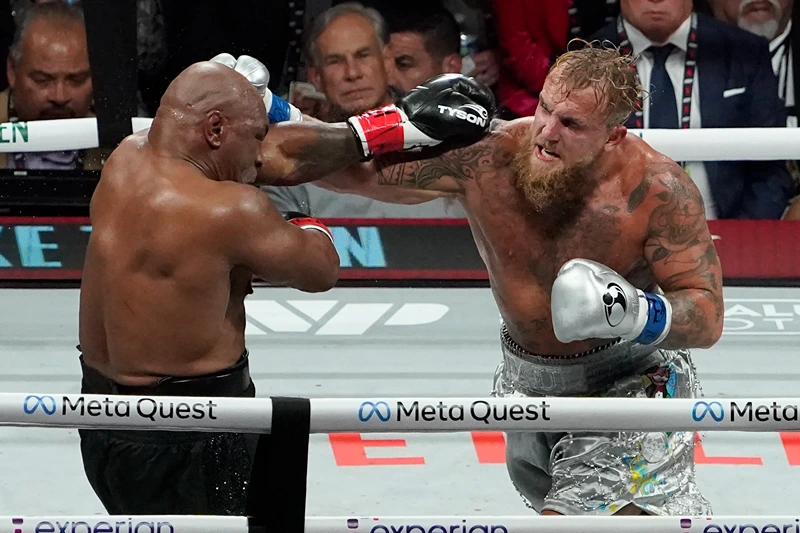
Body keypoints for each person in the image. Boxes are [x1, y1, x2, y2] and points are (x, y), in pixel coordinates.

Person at [251, 43, 724, 515]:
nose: (547, 131)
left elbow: (706, 313)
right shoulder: (489, 159)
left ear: (613, 135)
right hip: (525, 382)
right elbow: (352, 173)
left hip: (629, 384)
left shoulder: (656, 191)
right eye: (544, 107)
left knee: (576, 519)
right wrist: (267, 111)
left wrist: (634, 312)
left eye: (572, 124)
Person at [76, 61, 342, 515]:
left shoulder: (123, 158)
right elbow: (320, 271)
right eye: (256, 136)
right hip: (198, 433)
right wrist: (305, 217)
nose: (259, 158)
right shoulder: (230, 211)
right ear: (215, 128)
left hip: (101, 423)